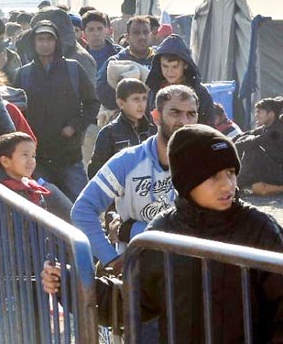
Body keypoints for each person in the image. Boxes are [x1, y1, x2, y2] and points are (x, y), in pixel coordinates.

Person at [44, 124, 283, 343]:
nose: (227, 185)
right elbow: (133, 302)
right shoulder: (162, 233)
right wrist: (71, 282)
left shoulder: (260, 229)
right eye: (213, 176)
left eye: (231, 172)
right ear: (186, 182)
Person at [71, 85, 199, 272]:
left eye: (191, 114)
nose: (184, 121)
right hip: (139, 271)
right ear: (156, 117)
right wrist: (111, 259)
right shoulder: (128, 161)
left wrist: (130, 230)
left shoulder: (203, 162)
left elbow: (204, 223)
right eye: (175, 113)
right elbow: (82, 211)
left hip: (188, 269)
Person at [13, 20, 99, 201]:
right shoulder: (24, 74)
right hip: (37, 158)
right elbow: (15, 112)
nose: (45, 44)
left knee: (82, 208)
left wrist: (75, 126)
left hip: (69, 155)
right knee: (43, 209)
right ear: (34, 43)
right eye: (40, 39)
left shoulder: (73, 69)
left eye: (49, 39)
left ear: (57, 42)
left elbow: (92, 103)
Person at [0, 132, 73, 221]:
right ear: (5, 161)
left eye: (33, 156)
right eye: (25, 155)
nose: (31, 161)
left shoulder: (38, 189)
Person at [88, 79, 156, 178]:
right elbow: (96, 172)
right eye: (136, 99)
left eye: (144, 98)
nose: (141, 105)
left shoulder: (153, 129)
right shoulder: (109, 133)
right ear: (121, 103)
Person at [144, 34, 215, 126]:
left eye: (175, 66)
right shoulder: (154, 90)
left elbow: (208, 125)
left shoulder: (199, 92)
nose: (169, 71)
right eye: (165, 66)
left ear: (185, 65)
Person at [97, 15, 156, 111]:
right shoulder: (115, 63)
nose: (142, 37)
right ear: (127, 37)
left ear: (151, 35)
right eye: (136, 33)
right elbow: (102, 93)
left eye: (145, 32)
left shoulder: (160, 60)